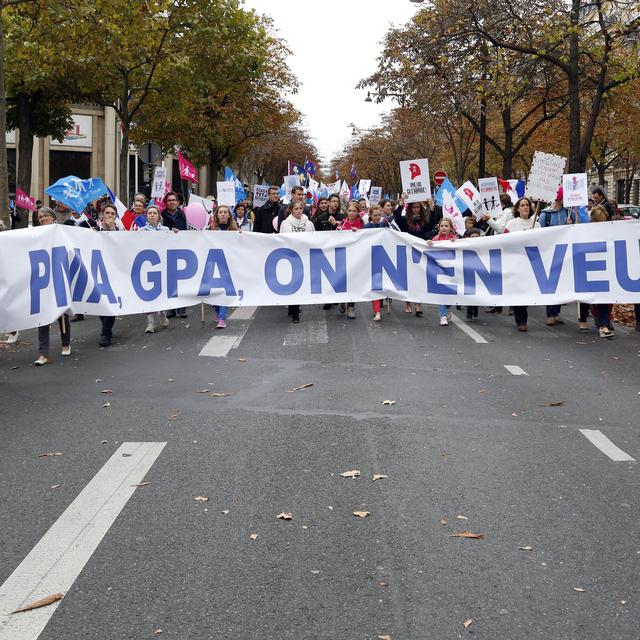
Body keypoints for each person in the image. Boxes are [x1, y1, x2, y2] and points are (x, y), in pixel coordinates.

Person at [33, 207, 71, 365]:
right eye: (39, 217)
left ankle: (65, 343)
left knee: (62, 312)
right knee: (43, 315)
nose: (41, 219)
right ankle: (43, 354)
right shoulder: (35, 234)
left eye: (45, 216)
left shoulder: (60, 231)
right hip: (41, 277)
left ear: (53, 217)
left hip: (58, 275)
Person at [394, 198, 439, 315]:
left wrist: (432, 209)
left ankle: (418, 304)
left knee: (419, 277)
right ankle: (408, 303)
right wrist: (400, 204)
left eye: (418, 207)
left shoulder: (423, 221)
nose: (416, 209)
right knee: (408, 278)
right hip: (407, 252)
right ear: (410, 209)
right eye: (414, 207)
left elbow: (432, 225)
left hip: (419, 252)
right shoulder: (404, 221)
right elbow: (397, 218)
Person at [539, 186, 576, 326]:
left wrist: (570, 225)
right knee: (552, 284)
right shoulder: (546, 215)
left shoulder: (569, 213)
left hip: (565, 253)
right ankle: (550, 313)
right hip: (550, 253)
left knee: (561, 283)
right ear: (559, 199)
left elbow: (576, 229)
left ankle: (556, 312)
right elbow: (540, 234)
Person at [577, 205, 615, 338]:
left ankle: (603, 325)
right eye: (599, 221)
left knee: (604, 296)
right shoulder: (586, 231)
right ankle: (583, 319)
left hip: (603, 266)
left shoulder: (610, 231)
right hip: (587, 266)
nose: (601, 223)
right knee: (585, 295)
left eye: (603, 220)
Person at [505, 197, 540, 331]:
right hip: (516, 262)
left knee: (526, 291)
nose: (525, 207)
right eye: (522, 205)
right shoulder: (511, 224)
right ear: (518, 208)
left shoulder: (536, 225)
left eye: (527, 205)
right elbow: (504, 241)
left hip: (530, 262)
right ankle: (521, 320)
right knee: (519, 290)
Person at [280, 201, 314, 323]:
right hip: (291, 257)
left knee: (300, 284)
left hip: (304, 256)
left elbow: (314, 239)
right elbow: (282, 240)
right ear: (291, 210)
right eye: (296, 209)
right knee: (292, 283)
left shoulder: (309, 223)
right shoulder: (286, 223)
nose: (299, 211)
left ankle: (295, 308)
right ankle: (293, 310)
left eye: (300, 208)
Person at [139, 205, 170, 334]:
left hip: (161, 265)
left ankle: (162, 312)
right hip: (146, 266)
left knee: (161, 292)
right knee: (147, 294)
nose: (152, 215)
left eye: (154, 213)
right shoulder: (140, 231)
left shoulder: (165, 229)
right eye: (150, 213)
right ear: (146, 216)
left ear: (159, 216)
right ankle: (150, 322)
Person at [207, 205, 238, 328]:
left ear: (229, 215)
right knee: (213, 291)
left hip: (228, 264)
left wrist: (241, 235)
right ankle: (217, 310)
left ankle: (222, 318)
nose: (223, 214)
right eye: (220, 212)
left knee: (224, 291)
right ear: (217, 215)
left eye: (225, 212)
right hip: (213, 263)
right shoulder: (210, 229)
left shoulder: (234, 229)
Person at [161, 192, 188, 318]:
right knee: (169, 280)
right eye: (169, 200)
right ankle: (171, 307)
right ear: (166, 203)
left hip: (182, 251)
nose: (172, 202)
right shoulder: (161, 216)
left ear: (178, 202)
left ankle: (182, 307)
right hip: (166, 252)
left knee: (183, 279)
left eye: (174, 200)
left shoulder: (185, 216)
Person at [427, 218, 458, 326]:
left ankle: (447, 308)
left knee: (450, 293)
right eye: (442, 226)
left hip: (451, 270)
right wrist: (429, 243)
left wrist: (456, 243)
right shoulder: (436, 239)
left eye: (446, 226)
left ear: (451, 228)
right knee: (441, 293)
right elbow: (429, 250)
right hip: (439, 270)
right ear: (438, 227)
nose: (444, 228)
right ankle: (443, 315)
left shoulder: (455, 238)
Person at [96, 205, 119, 346]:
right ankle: (106, 325)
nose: (110, 215)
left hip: (114, 272)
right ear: (102, 215)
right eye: (107, 213)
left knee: (111, 301)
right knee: (101, 301)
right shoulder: (94, 229)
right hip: (98, 270)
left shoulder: (119, 231)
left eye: (112, 213)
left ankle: (106, 333)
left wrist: (111, 230)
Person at [364, 206, 389, 321]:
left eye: (379, 215)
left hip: (384, 258)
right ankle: (377, 311)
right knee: (375, 285)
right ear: (370, 216)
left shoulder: (385, 225)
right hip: (371, 258)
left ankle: (382, 300)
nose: (377, 217)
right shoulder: (367, 227)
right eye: (375, 215)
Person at [463, 227, 483, 321]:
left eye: (477, 236)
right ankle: (469, 313)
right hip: (468, 271)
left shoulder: (484, 246)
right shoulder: (465, 245)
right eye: (472, 237)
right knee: (470, 292)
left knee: (478, 292)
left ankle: (475, 309)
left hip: (479, 271)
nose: (475, 238)